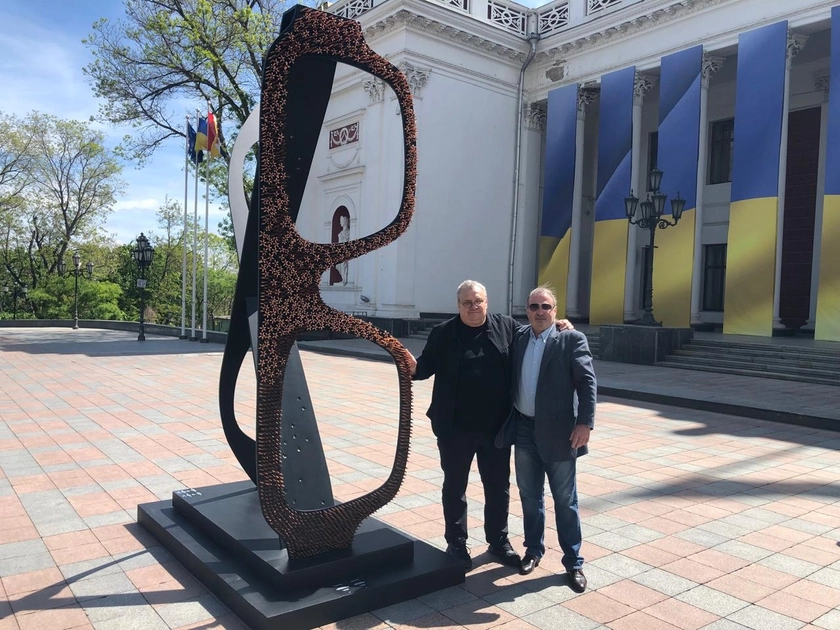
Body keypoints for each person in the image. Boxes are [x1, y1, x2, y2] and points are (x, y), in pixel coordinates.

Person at [410, 280, 572, 571]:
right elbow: (423, 368)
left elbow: (536, 331)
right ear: (458, 305)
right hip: (454, 429)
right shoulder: (443, 333)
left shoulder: (505, 326)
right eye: (467, 302)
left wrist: (557, 324)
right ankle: (456, 542)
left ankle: (498, 542)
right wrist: (405, 361)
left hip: (497, 429)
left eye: (478, 301)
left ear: (487, 302)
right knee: (455, 487)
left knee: (498, 488)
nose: (474, 307)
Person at [501, 286, 596, 593]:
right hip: (524, 430)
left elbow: (587, 383)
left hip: (560, 433)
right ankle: (533, 551)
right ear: (526, 310)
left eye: (546, 306)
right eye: (533, 306)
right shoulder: (519, 338)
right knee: (530, 496)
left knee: (565, 501)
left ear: (555, 310)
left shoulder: (571, 339)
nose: (539, 311)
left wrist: (585, 424)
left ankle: (573, 562)